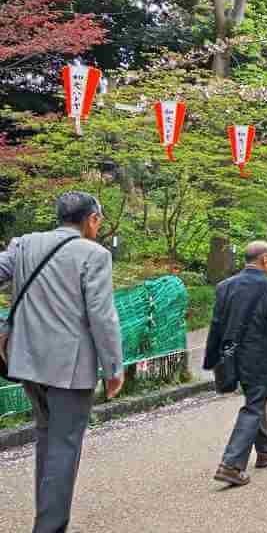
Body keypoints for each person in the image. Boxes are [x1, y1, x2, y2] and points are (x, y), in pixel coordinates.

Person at [0, 192, 123, 533]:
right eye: (98, 219)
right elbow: (102, 316)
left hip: (25, 361)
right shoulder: (94, 255)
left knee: (48, 439)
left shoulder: (24, 244)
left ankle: (46, 519)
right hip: (70, 368)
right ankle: (49, 528)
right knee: (64, 446)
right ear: (91, 219)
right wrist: (114, 368)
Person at [205, 241, 267, 487]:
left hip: (231, 356)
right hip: (259, 358)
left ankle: (266, 451)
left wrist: (212, 360)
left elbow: (216, 324)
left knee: (255, 400)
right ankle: (231, 464)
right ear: (265, 259)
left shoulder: (225, 286)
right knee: (254, 405)